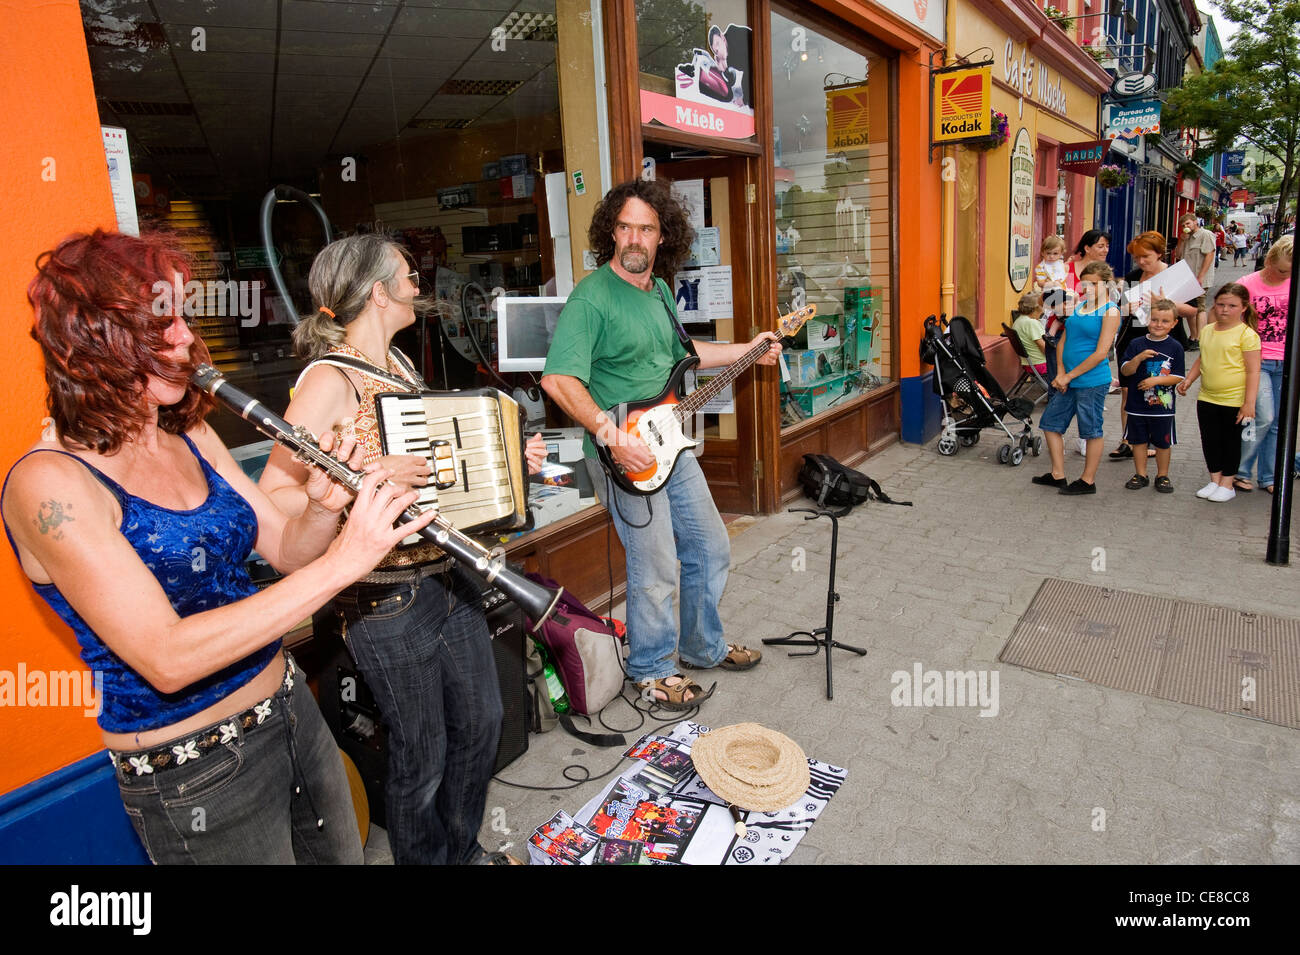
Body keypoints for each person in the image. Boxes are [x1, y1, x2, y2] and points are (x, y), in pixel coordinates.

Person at [1, 230, 434, 864]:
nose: (183, 338)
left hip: (290, 711)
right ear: (93, 339)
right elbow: (167, 657)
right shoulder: (50, 485)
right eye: (159, 321)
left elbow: (287, 549)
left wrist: (323, 508)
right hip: (194, 771)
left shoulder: (189, 430)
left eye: (181, 316)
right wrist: (348, 562)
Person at [258, 234, 545, 865]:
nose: (419, 281)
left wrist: (508, 463)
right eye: (407, 274)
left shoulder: (403, 368)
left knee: (481, 726)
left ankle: (461, 852)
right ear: (379, 292)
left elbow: (439, 470)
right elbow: (274, 491)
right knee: (423, 755)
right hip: (384, 599)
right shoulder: (329, 379)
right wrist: (348, 486)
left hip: (450, 575)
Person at [541, 179, 778, 708]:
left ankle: (701, 646)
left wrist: (749, 348)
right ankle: (650, 669)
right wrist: (611, 437)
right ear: (610, 232)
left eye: (645, 228)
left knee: (710, 546)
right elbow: (558, 380)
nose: (633, 237)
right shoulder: (592, 298)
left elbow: (684, 352)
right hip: (623, 454)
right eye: (624, 226)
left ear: (662, 237)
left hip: (671, 443)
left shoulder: (660, 292)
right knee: (655, 564)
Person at [1031, 261, 1122, 495]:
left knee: (1090, 430)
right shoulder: (1080, 306)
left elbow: (1102, 352)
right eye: (1084, 284)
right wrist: (1061, 373)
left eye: (1093, 284)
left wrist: (1070, 375)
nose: (1088, 289)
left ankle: (1087, 480)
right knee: (1050, 424)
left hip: (1091, 380)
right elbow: (1063, 340)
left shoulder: (1110, 310)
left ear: (1106, 284)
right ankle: (1057, 474)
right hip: (1068, 379)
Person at [1110, 231, 1198, 461]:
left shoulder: (1175, 275)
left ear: (1159, 254)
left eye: (1146, 256)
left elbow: (1193, 310)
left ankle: (1152, 438)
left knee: (1156, 390)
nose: (1141, 262)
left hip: (1164, 341)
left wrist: (1165, 304)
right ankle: (1128, 440)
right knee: (1128, 391)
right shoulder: (1133, 276)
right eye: (1137, 257)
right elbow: (1121, 307)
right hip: (1132, 339)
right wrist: (1124, 309)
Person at [1177, 283, 1261, 503]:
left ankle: (1227, 483)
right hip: (1207, 397)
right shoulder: (1207, 330)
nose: (1225, 309)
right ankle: (1214, 479)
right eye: (1221, 304)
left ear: (1243, 307)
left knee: (1230, 442)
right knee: (1210, 439)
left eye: (1232, 305)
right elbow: (1202, 358)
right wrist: (1189, 379)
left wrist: (1249, 402)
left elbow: (1253, 370)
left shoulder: (1247, 335)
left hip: (1234, 399)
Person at [1235, 235, 1294, 493]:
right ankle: (1241, 470)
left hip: (1287, 360)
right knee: (1263, 417)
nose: (1285, 275)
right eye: (1281, 269)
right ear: (1269, 260)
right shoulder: (1247, 284)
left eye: (1290, 271)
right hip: (1258, 360)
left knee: (1278, 421)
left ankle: (1268, 477)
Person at [1118, 299, 1185, 493]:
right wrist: (1138, 358)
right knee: (1138, 441)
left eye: (1165, 321)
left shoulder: (1175, 347)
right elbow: (1126, 371)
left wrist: (1155, 381)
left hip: (1162, 408)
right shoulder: (1136, 344)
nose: (1158, 324)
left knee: (1162, 442)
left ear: (1174, 323)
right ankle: (1141, 474)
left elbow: (1178, 376)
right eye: (1154, 320)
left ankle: (1162, 475)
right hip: (1136, 405)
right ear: (1147, 320)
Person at [1174, 212, 1215, 347]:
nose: (1186, 226)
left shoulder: (1205, 235)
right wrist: (1182, 240)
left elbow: (1209, 255)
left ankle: (1200, 338)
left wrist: (1201, 277)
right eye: (1183, 225)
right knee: (1190, 308)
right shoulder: (1187, 238)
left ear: (1195, 222)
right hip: (1186, 278)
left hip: (1199, 278)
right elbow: (1178, 255)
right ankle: (1193, 336)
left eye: (1188, 223)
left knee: (1200, 306)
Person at [1012, 290, 1049, 380]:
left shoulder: (1019, 321)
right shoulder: (1031, 323)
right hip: (1040, 365)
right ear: (1037, 307)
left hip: (1028, 363)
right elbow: (1044, 347)